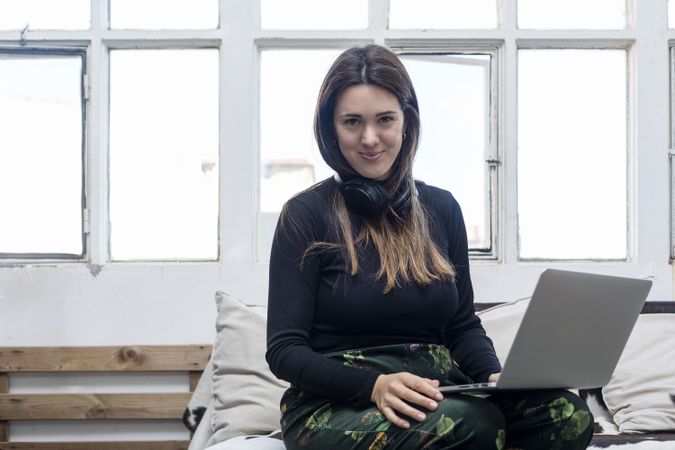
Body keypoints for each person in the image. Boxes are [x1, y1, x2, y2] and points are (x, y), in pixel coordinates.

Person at [265, 44, 593, 450]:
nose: (369, 138)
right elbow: (284, 351)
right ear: (331, 129)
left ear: (407, 122)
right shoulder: (304, 214)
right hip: (335, 404)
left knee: (567, 415)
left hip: (442, 393)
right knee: (472, 424)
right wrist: (375, 386)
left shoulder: (442, 208)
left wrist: (494, 377)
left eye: (384, 119)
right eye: (352, 122)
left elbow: (460, 325)